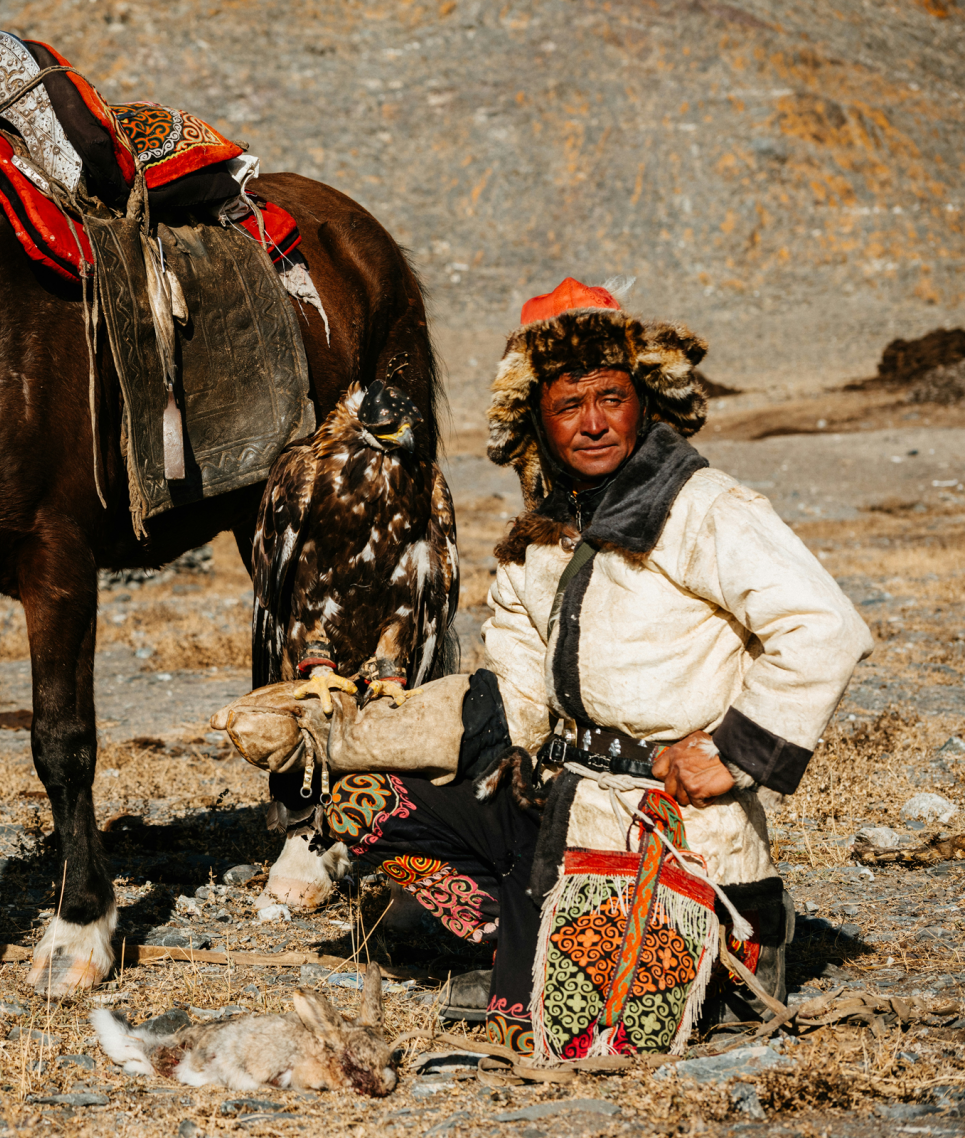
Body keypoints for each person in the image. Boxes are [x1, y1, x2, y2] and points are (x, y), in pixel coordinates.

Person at [321, 277, 872, 1054]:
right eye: (567, 404)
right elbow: (513, 695)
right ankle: (527, 939)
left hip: (673, 826)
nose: (592, 424)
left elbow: (824, 626)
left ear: (644, 399)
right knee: (362, 801)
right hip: (565, 803)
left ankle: (735, 951)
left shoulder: (704, 508)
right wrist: (347, 729)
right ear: (536, 421)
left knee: (590, 1036)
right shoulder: (538, 541)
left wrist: (735, 752)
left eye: (610, 397)